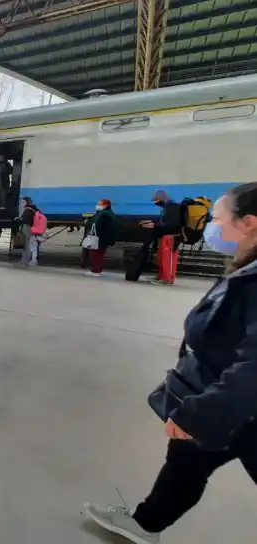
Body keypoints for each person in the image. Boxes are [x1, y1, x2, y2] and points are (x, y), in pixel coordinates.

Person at [84, 182, 257, 544]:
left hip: (233, 405)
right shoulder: (247, 268)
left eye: (218, 218)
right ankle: (147, 523)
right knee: (187, 462)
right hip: (224, 399)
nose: (211, 227)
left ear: (249, 223)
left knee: (188, 458)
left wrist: (200, 415)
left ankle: (147, 523)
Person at [85, 199, 118, 277]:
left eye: (99, 204)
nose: (97, 205)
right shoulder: (110, 213)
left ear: (105, 205)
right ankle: (96, 270)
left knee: (95, 255)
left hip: (99, 237)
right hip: (105, 237)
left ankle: (95, 271)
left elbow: (96, 224)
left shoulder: (102, 213)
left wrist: (87, 222)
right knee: (99, 254)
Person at [18, 196, 41, 266]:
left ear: (25, 202)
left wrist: (20, 218)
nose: (21, 203)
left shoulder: (28, 210)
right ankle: (31, 260)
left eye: (22, 202)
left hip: (28, 229)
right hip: (33, 229)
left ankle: (26, 261)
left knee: (27, 246)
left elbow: (26, 221)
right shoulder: (34, 209)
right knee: (32, 245)